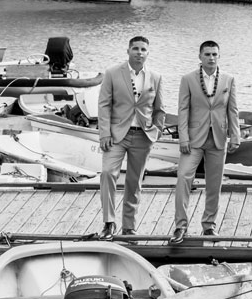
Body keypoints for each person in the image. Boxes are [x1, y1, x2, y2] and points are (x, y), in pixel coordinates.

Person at [168, 41, 241, 245]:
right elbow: (182, 109)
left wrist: (235, 135)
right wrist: (183, 137)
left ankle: (209, 225)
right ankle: (180, 226)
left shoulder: (228, 79)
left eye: (214, 54)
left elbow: (233, 110)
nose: (211, 57)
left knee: (214, 183)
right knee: (183, 177)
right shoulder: (188, 79)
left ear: (219, 56)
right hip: (193, 138)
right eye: (207, 54)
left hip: (218, 137)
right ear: (200, 56)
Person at [96, 36, 165, 240]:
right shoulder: (112, 73)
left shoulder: (155, 77)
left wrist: (157, 131)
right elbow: (104, 105)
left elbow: (159, 109)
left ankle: (129, 227)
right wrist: (105, 133)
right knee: (108, 173)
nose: (139, 52)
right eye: (135, 48)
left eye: (143, 49)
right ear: (128, 51)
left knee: (134, 182)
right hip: (117, 135)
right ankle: (109, 222)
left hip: (142, 136)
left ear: (148, 53)